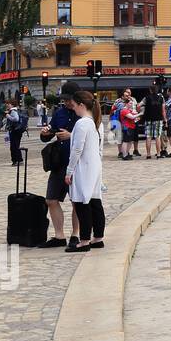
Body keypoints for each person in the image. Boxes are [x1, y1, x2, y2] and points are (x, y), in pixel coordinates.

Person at [38, 82, 81, 249]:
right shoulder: (59, 113)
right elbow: (50, 133)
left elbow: (92, 137)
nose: (67, 103)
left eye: (69, 100)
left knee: (77, 201)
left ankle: (75, 235)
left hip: (76, 163)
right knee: (51, 199)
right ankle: (59, 236)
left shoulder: (84, 113)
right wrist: (45, 134)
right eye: (65, 100)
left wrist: (70, 135)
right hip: (59, 163)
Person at [64, 90, 105, 253]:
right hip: (94, 165)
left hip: (83, 167)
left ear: (81, 105)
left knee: (82, 202)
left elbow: (77, 149)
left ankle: (85, 240)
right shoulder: (95, 123)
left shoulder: (82, 123)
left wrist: (69, 170)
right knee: (95, 201)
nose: (73, 109)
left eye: (74, 106)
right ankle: (98, 237)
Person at [142, 86, 165, 158]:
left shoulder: (146, 98)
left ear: (150, 90)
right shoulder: (161, 98)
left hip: (148, 119)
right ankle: (158, 154)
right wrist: (165, 119)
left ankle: (148, 154)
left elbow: (139, 106)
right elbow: (163, 110)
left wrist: (142, 110)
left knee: (148, 137)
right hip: (158, 119)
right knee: (157, 137)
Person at [4, 98, 26, 166]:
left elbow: (16, 119)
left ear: (12, 104)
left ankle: (17, 160)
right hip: (16, 130)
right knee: (15, 145)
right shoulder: (13, 110)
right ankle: (17, 160)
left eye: (8, 104)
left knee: (14, 146)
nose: (7, 105)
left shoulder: (13, 111)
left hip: (15, 130)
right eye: (6, 104)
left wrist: (8, 116)